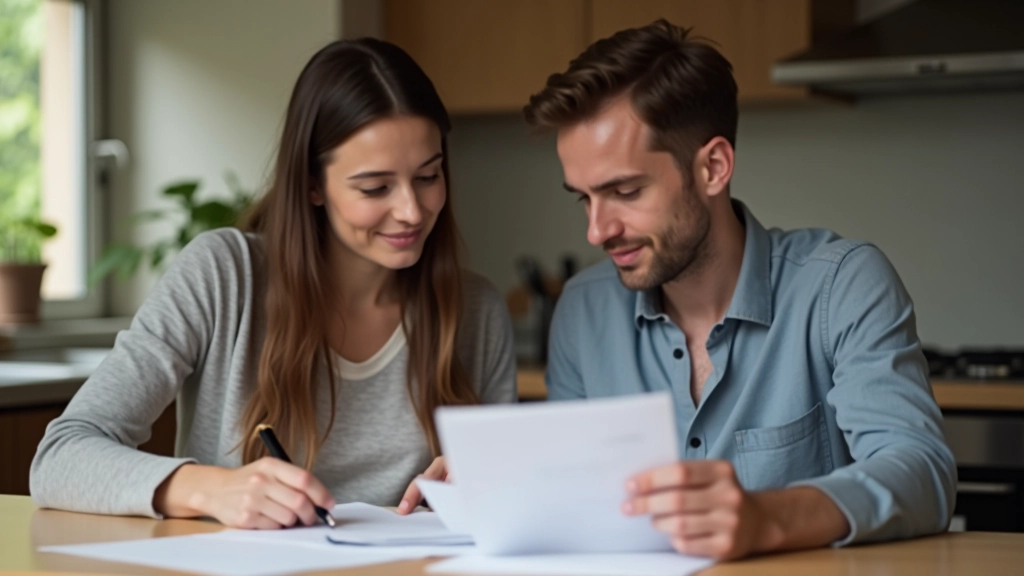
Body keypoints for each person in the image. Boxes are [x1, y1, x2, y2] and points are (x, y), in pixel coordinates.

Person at [30, 38, 517, 529]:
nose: (411, 210)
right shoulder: (223, 275)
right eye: (375, 188)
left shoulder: (476, 310)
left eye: (428, 177)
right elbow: (61, 457)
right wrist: (210, 489)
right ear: (312, 185)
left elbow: (515, 503)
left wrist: (491, 478)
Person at [522, 20, 955, 559]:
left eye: (626, 191)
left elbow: (923, 472)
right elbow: (573, 497)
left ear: (714, 167)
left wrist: (766, 518)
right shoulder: (583, 310)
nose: (596, 231)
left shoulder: (841, 284)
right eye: (583, 198)